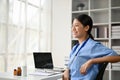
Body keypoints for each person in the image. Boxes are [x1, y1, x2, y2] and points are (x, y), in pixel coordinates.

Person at [63, 14, 120, 80]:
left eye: (76, 26)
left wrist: (92, 61)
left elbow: (117, 57)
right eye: (72, 26)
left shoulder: (93, 46)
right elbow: (70, 64)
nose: (73, 29)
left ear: (86, 28)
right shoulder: (75, 48)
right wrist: (67, 70)